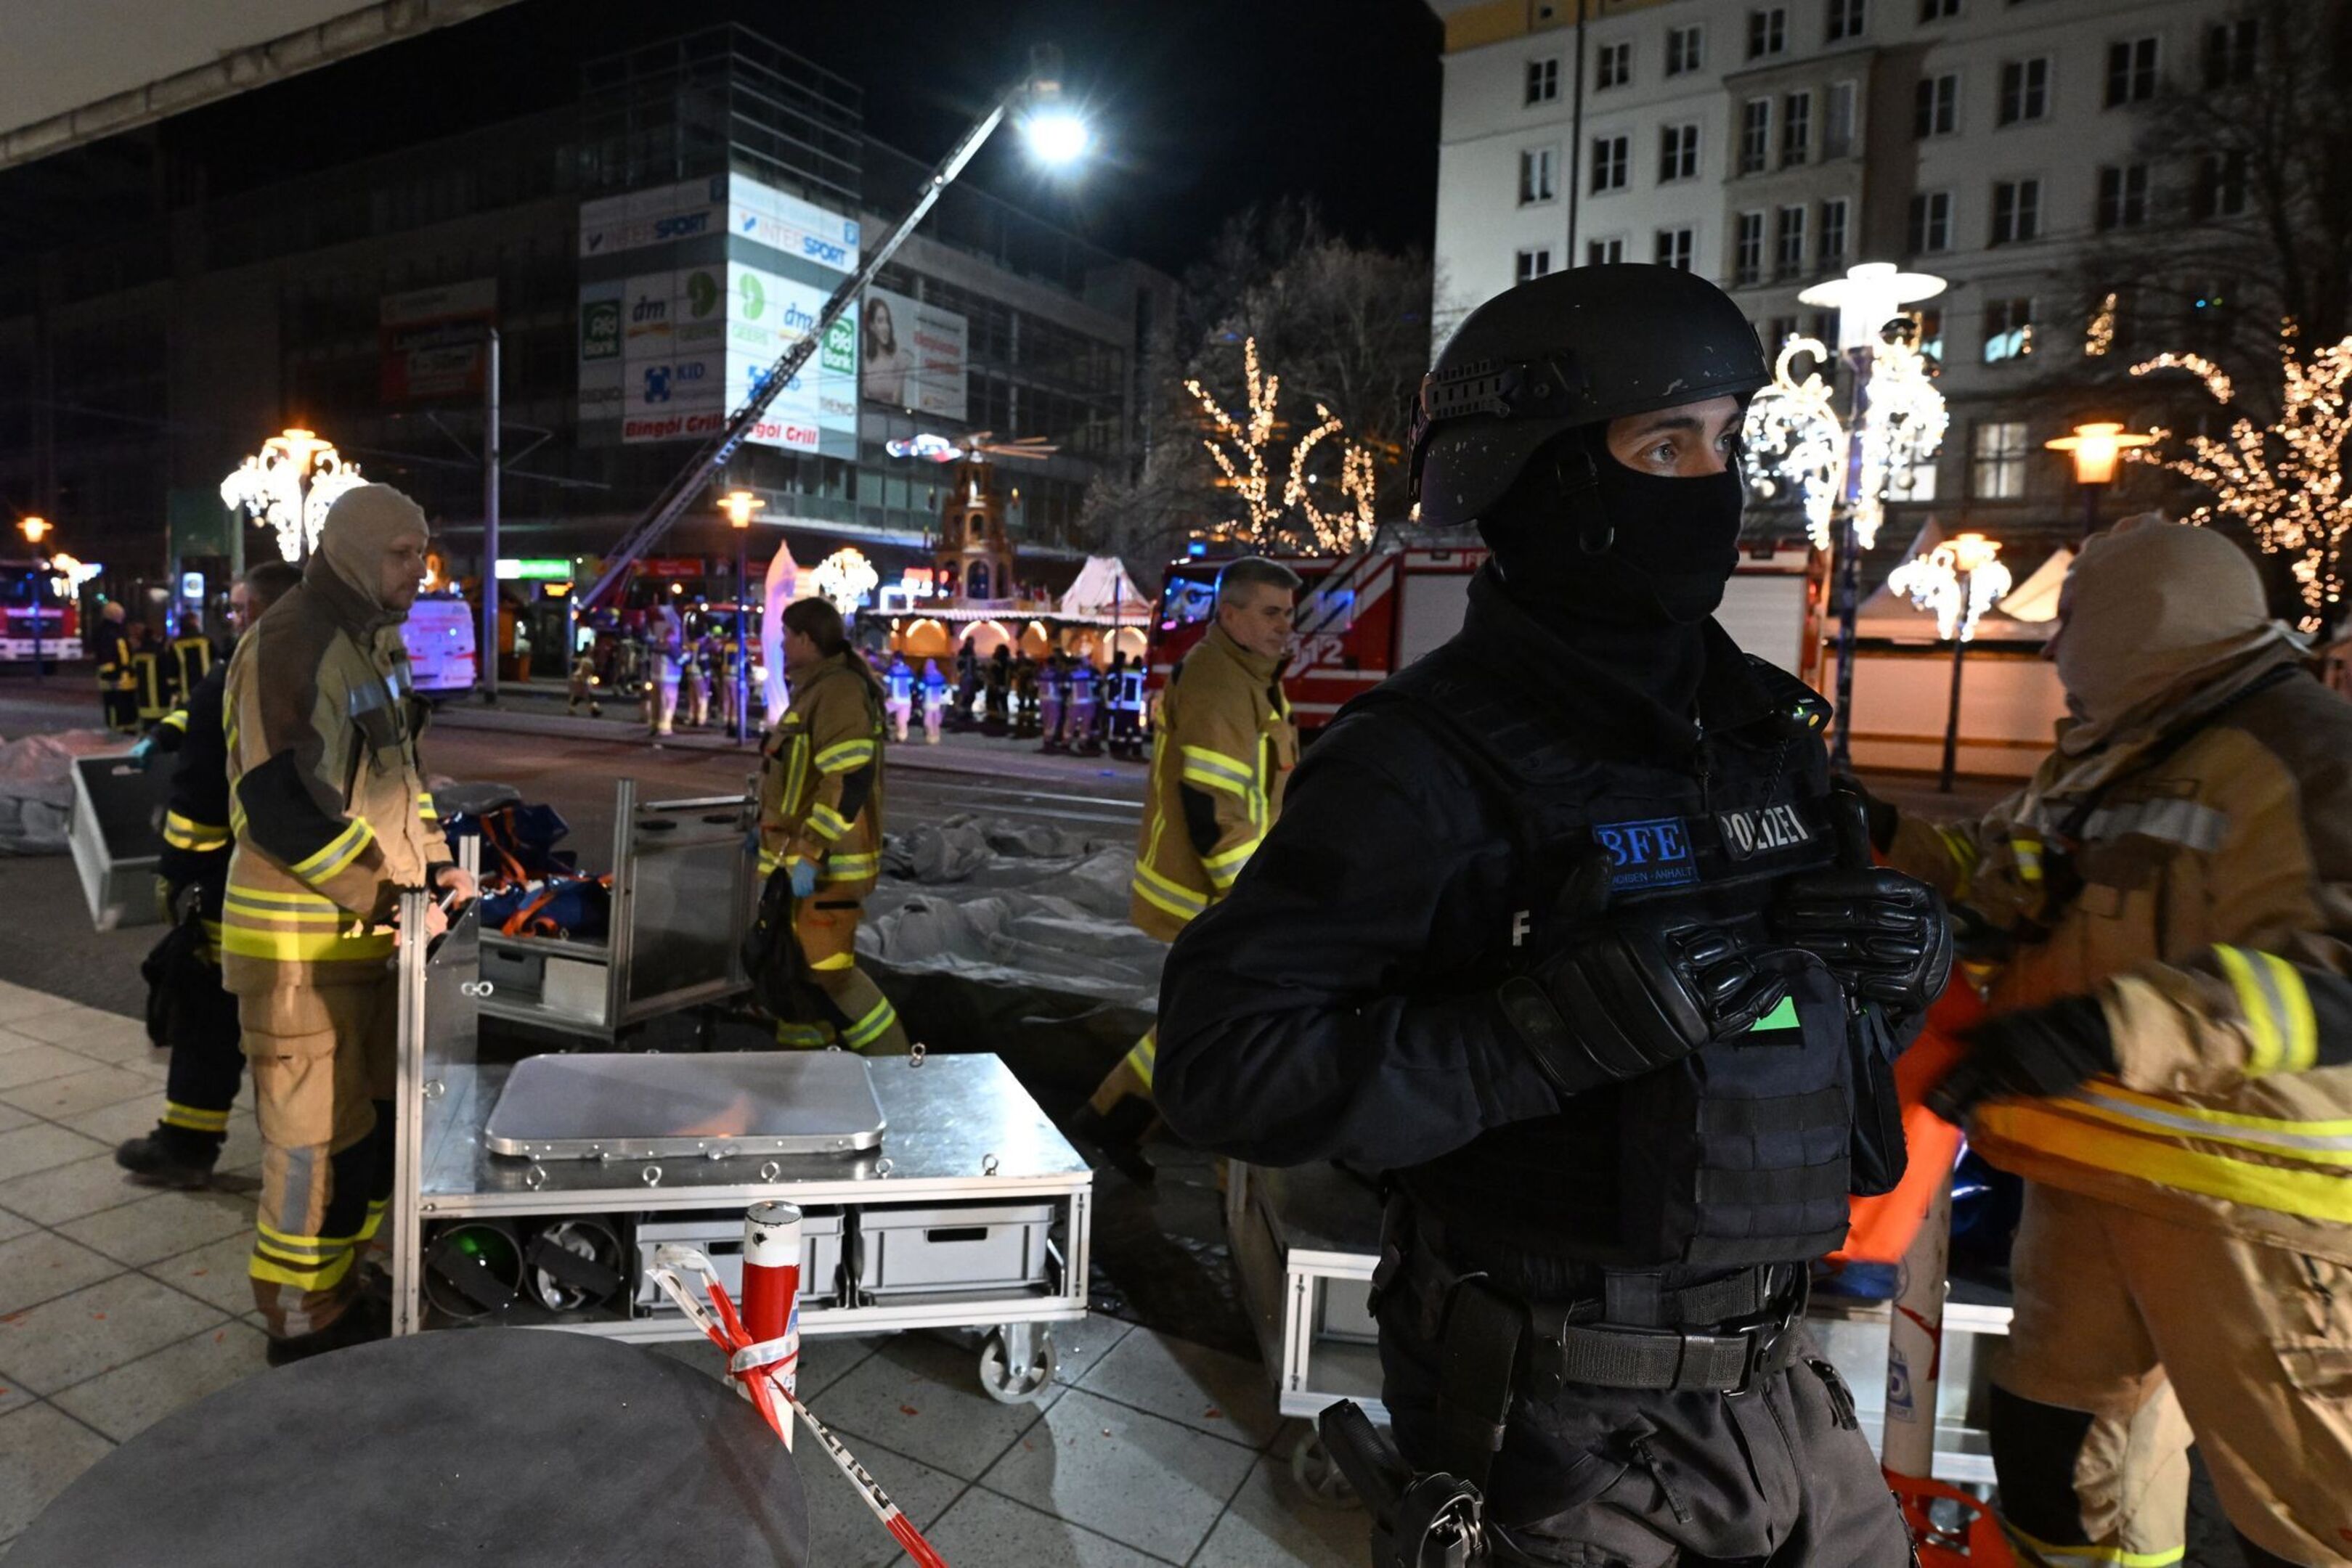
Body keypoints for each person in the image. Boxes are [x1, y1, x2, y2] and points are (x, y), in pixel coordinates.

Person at [1154, 266, 1945, 1565]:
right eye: (1664, 445)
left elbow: (1780, 1047)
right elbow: (1219, 1066)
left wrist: (1888, 981)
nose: (1713, 483)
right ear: (1544, 476)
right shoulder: (1420, 761)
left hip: (1783, 1393)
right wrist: (1527, 1038)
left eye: (1724, 441)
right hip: (1555, 1430)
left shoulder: (1763, 734)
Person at [1881, 518, 2352, 1568]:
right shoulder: (2121, 749)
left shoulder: (2309, 751)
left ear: (2143, 620)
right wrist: (1872, 835)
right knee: (2060, 1474)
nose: (2054, 647)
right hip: (2090, 1174)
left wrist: (2106, 1029)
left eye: (2074, 619)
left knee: (2308, 1515)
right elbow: (1997, 869)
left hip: (2254, 1210)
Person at [221, 483, 471, 1363]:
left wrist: (436, 866)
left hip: (364, 943)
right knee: (311, 1152)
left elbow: (401, 780)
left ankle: (338, 1289)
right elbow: (278, 808)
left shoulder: (373, 643)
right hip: (299, 951)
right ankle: (299, 1325)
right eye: (402, 553)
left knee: (362, 1139)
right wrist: (389, 897)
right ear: (353, 550)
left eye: (423, 552)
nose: (419, 570)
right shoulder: (296, 640)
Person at [1080, 558, 1300, 1169]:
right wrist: (1249, 898)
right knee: (1233, 1024)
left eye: (1287, 613)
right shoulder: (1220, 682)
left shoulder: (1249, 676)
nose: (1285, 625)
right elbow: (1210, 806)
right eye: (1270, 612)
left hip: (1224, 888)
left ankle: (1111, 1122)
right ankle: (1227, 1171)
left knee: (1204, 1020)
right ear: (1228, 614)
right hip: (1215, 891)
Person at [115, 562, 305, 1188]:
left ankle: (186, 1148)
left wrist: (178, 879)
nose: (232, 616)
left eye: (240, 608)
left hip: (224, 886)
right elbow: (205, 715)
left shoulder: (244, 675)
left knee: (204, 1011)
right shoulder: (314, 670)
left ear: (261, 612)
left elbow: (200, 801)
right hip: (291, 889)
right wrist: (166, 731)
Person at [757, 597, 909, 1055]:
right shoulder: (818, 689)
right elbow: (799, 783)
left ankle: (896, 1066)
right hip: (803, 865)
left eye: (787, 636)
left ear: (807, 640)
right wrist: (766, 831)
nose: (782, 645)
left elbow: (847, 779)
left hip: (828, 869)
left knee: (831, 976)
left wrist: (810, 852)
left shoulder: (837, 692)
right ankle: (802, 1073)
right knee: (797, 973)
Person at [93, 600, 137, 733]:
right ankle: (116, 732)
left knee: (125, 707)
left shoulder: (115, 631)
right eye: (120, 615)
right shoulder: (108, 633)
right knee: (115, 708)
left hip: (124, 680)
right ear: (115, 615)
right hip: (115, 680)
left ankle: (126, 730)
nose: (122, 618)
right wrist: (113, 677)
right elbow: (107, 658)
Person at [646, 602, 685, 737]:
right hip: (670, 677)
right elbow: (679, 659)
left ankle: (654, 725)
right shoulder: (672, 642)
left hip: (655, 676)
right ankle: (665, 728)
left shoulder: (657, 640)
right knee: (668, 702)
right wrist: (688, 655)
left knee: (656, 701)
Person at [1068, 656, 1101, 756]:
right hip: (1089, 702)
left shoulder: (1072, 674)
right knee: (1086, 725)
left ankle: (1066, 743)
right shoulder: (1091, 673)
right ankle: (1083, 744)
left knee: (1071, 724)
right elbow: (1096, 685)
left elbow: (1066, 687)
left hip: (1075, 702)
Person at [1039, 652, 1069, 752]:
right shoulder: (1058, 674)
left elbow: (1035, 684)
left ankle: (1046, 740)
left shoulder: (1041, 673)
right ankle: (1049, 741)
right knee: (1052, 722)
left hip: (1043, 700)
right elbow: (1063, 686)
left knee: (1046, 721)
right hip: (1055, 700)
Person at [884, 651, 915, 743]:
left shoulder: (892, 670)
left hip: (894, 699)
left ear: (894, 658)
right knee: (902, 721)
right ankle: (901, 737)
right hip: (906, 700)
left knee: (881, 712)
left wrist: (887, 694)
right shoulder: (908, 670)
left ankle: (885, 731)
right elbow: (912, 683)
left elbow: (887, 683)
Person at [567, 648, 603, 717]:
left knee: (579, 696)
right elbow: (584, 672)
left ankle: (572, 709)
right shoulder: (589, 662)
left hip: (576, 679)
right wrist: (583, 681)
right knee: (587, 697)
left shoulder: (584, 660)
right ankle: (594, 710)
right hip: (580, 680)